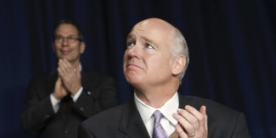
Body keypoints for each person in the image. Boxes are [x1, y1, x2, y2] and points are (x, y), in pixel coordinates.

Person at [79, 18, 250, 138]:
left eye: (148, 46)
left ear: (177, 64)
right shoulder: (97, 131)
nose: (132, 52)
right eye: (130, 43)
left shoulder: (227, 124)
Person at [21, 19, 118, 137]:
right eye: (59, 38)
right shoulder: (38, 83)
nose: (65, 43)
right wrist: (55, 98)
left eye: (71, 38)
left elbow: (108, 124)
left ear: (82, 47)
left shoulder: (104, 82)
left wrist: (77, 91)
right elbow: (27, 124)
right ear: (53, 46)